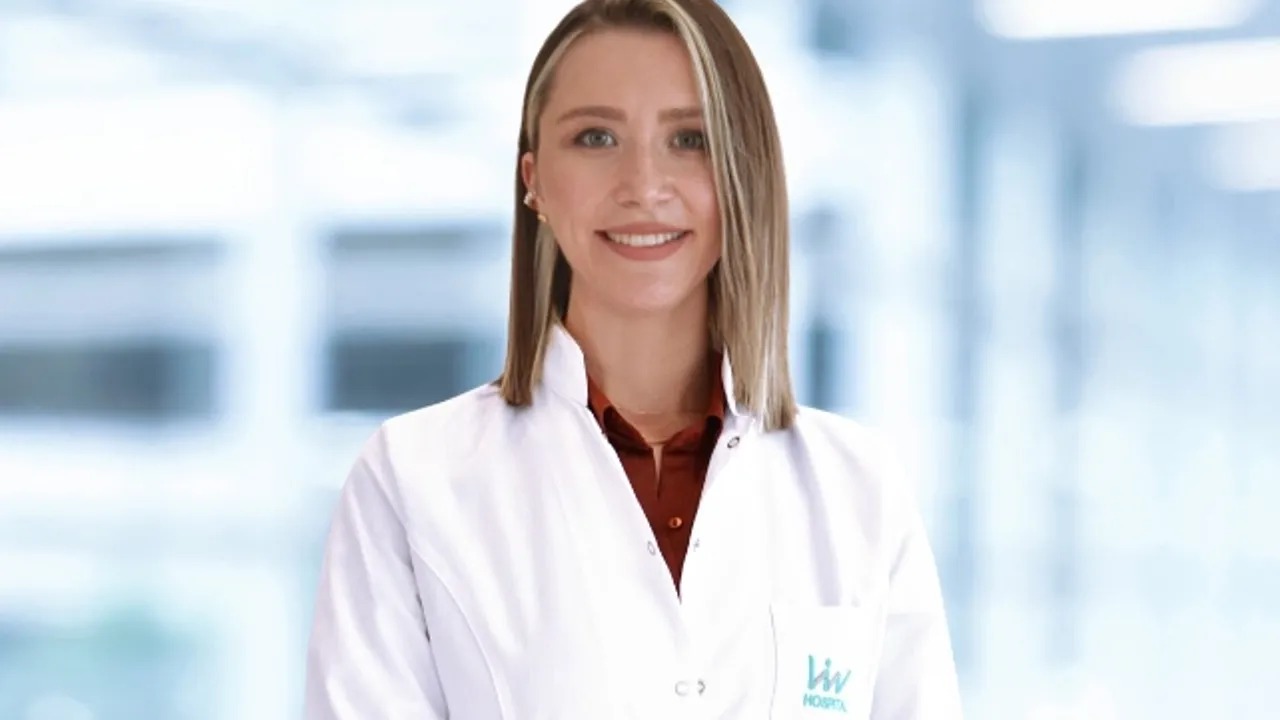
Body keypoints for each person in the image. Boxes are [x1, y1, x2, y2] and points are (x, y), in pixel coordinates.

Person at [303, 0, 964, 718]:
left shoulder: (858, 489)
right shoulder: (411, 478)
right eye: (596, 137)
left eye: (689, 139)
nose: (644, 185)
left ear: (742, 173)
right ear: (533, 180)